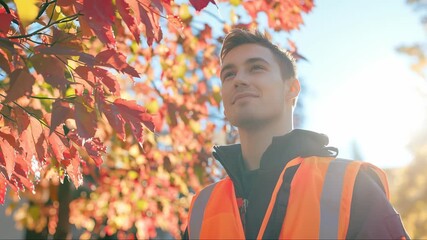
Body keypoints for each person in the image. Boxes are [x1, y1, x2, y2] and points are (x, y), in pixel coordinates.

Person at [183, 28, 409, 239]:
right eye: (228, 75)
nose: (239, 80)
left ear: (291, 88)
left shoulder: (350, 185)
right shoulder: (202, 207)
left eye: (256, 68)